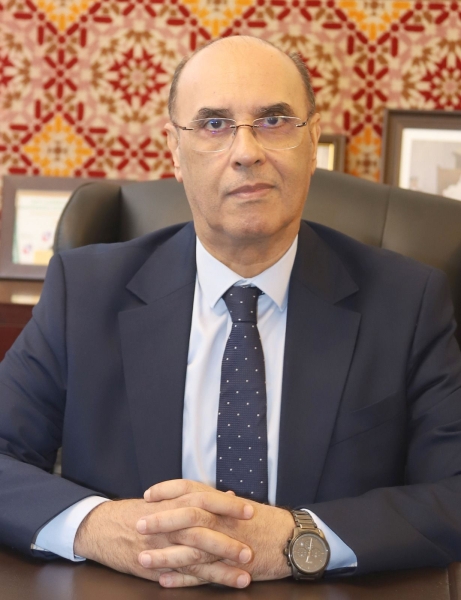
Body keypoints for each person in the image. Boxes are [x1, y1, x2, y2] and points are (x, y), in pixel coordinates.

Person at [1, 35, 461, 589]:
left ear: (312, 140)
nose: (247, 152)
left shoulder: (408, 301)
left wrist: (299, 539)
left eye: (274, 121)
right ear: (175, 150)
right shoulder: (85, 292)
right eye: (214, 124)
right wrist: (98, 527)